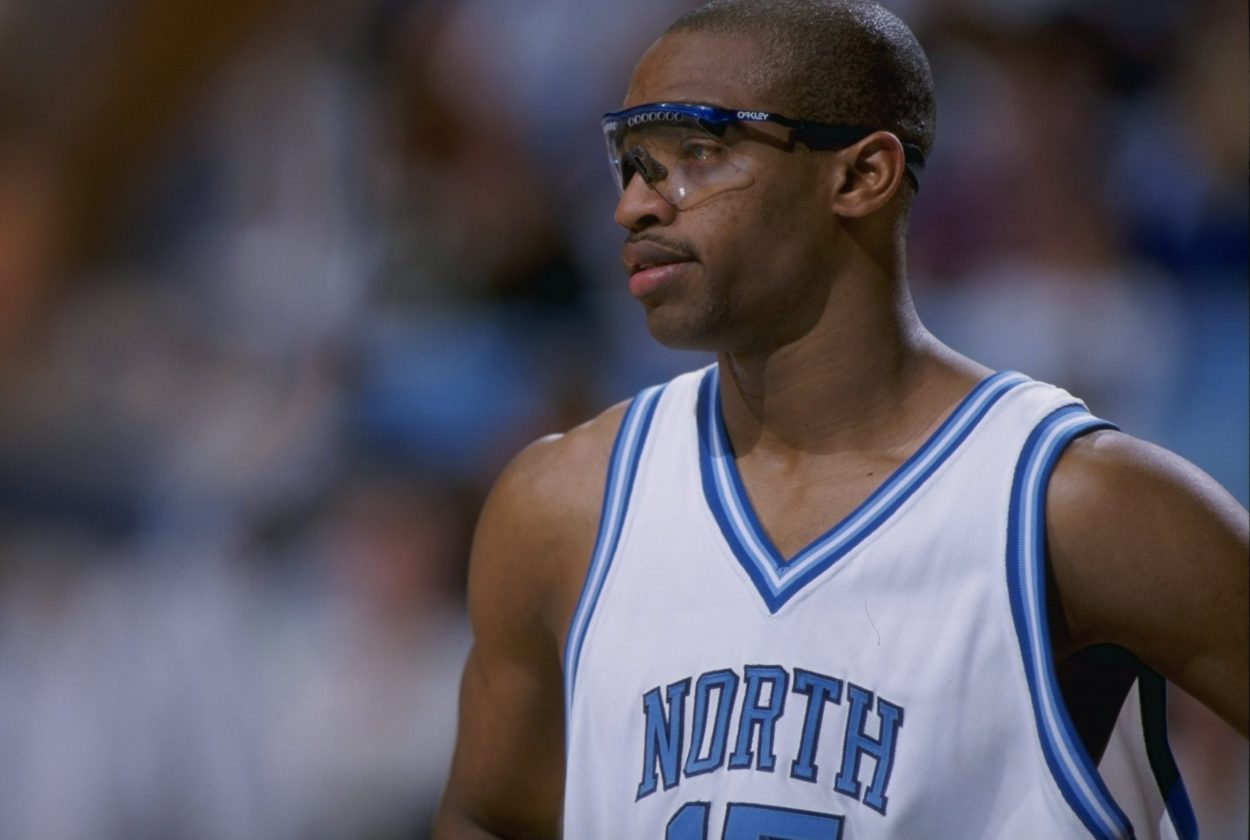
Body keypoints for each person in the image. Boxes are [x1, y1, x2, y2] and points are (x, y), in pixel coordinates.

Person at [433, 1, 1249, 837]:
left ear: (862, 176)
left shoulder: (1074, 506)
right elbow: (487, 812)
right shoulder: (561, 506)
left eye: (698, 152)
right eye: (633, 163)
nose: (636, 206)